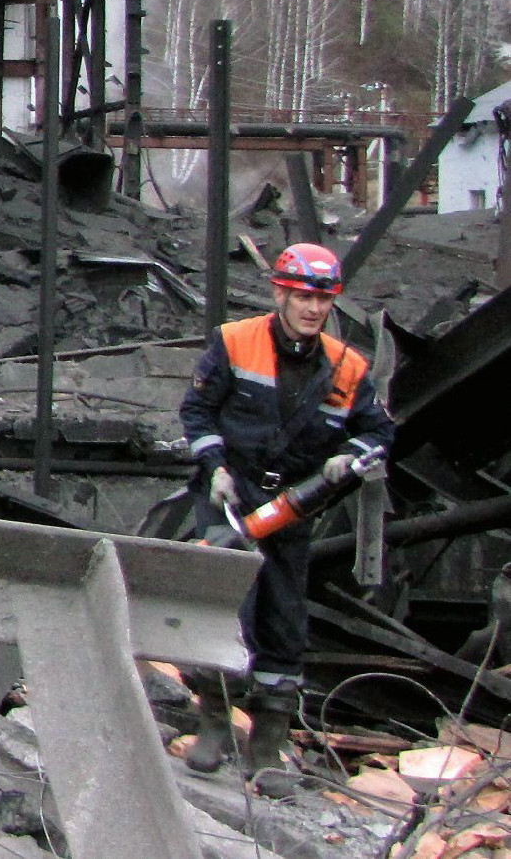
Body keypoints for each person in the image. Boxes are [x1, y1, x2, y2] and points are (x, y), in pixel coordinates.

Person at [178, 242, 392, 793]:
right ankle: (213, 724)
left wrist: (355, 454)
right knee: (225, 611)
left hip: (294, 504)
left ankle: (267, 744)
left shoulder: (348, 367)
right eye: (302, 296)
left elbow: (379, 432)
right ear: (280, 294)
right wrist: (214, 464)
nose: (312, 308)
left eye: (322, 299)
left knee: (282, 618)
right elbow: (197, 410)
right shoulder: (235, 341)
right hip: (231, 497)